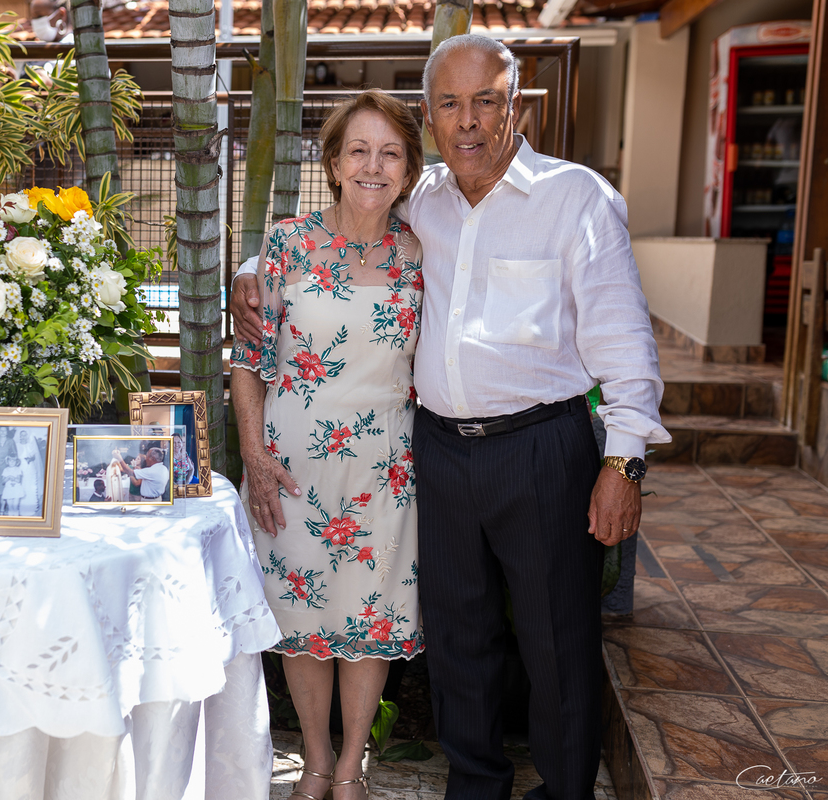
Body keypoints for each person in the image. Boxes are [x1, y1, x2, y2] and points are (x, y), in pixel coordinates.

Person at [231, 36, 670, 800]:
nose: (468, 121)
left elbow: (624, 338)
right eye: (449, 104)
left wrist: (624, 459)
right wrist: (248, 270)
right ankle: (472, 786)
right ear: (431, 118)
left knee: (555, 638)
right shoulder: (422, 201)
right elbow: (303, 269)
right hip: (430, 452)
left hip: (533, 446)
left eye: (485, 101)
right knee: (460, 638)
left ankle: (564, 790)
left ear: (514, 105)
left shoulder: (573, 199)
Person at [231, 89, 425, 800]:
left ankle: (351, 768)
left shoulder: (424, 252)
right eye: (359, 151)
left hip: (386, 469)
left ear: (408, 171)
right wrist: (254, 457)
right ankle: (315, 761)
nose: (373, 166)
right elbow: (248, 361)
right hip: (291, 467)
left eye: (390, 153)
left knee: (369, 619)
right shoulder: (286, 244)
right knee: (301, 616)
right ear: (334, 164)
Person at [12, 429, 43, 517]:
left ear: (27, 436)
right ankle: (19, 508)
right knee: (21, 486)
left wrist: (31, 458)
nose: (23, 437)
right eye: (21, 435)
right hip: (19, 468)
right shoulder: (16, 445)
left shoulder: (31, 445)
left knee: (30, 487)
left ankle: (31, 508)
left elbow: (34, 456)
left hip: (30, 468)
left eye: (25, 435)